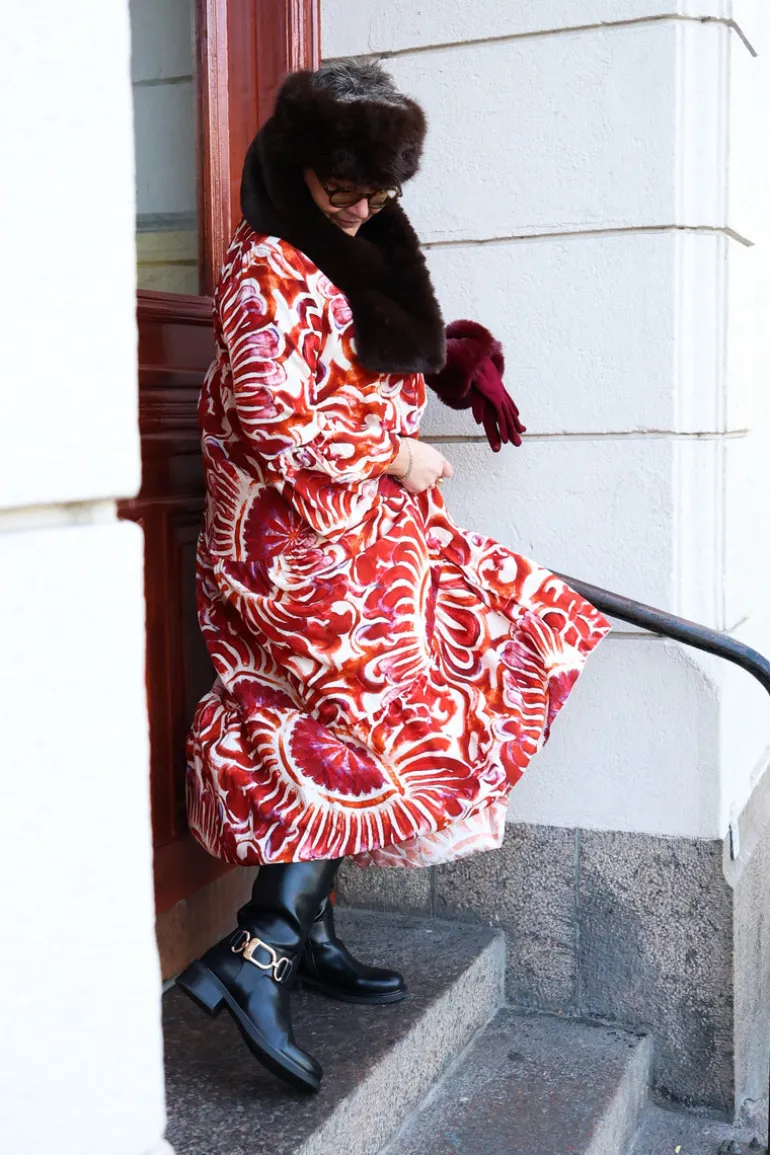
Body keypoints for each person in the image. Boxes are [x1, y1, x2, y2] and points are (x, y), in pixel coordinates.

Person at [177, 61, 610, 1093]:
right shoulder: (264, 263)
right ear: (298, 166)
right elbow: (274, 417)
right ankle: (258, 954)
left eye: (379, 190)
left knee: (522, 618)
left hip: (364, 532)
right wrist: (391, 455)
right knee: (362, 727)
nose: (364, 207)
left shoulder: (356, 246)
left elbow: (354, 358)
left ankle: (303, 937)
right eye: (344, 188)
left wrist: (452, 363)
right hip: (287, 547)